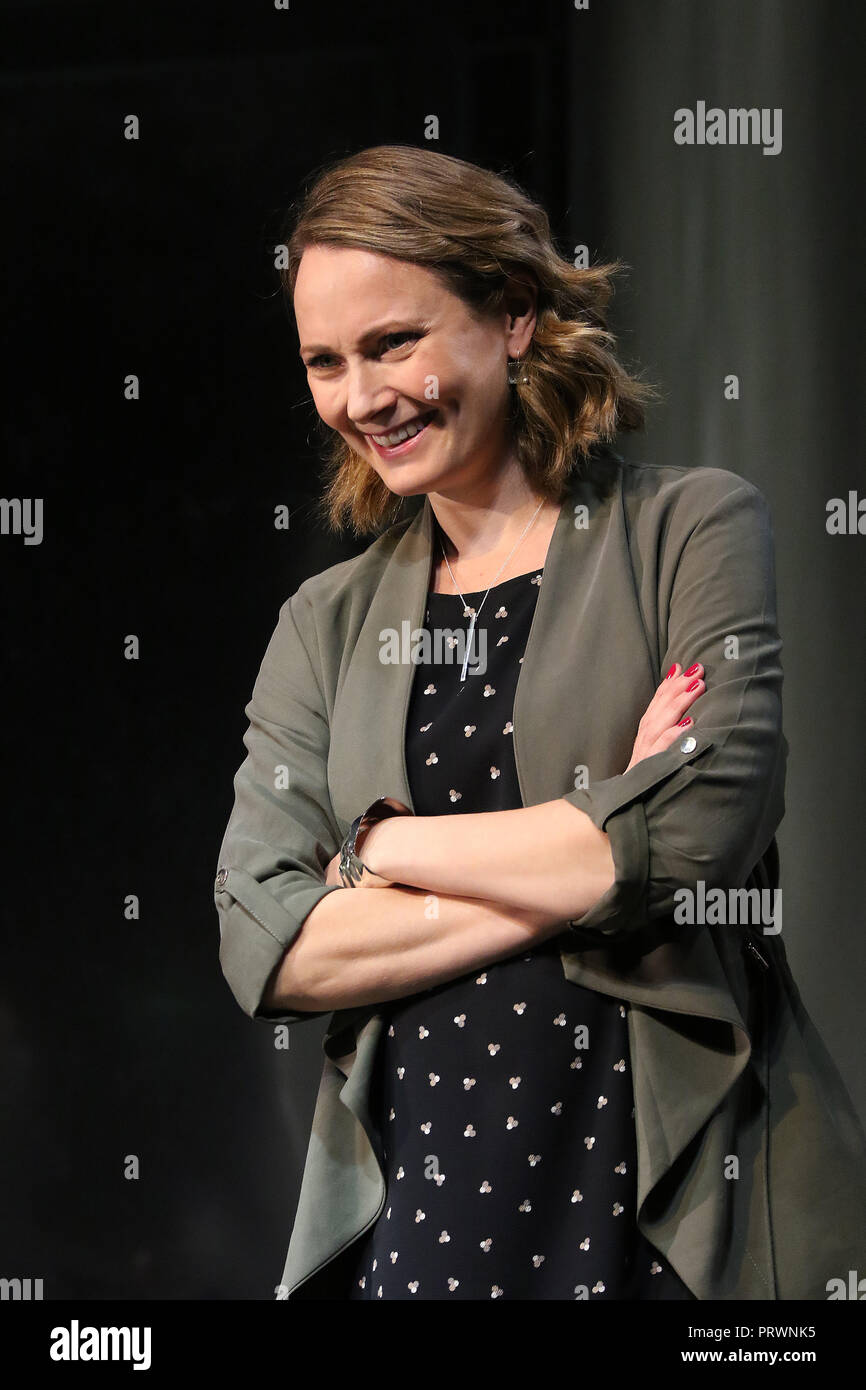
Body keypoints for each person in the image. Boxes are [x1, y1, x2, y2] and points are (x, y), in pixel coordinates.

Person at [214, 145, 866, 1301]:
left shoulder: (689, 529)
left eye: (393, 343)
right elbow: (267, 939)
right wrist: (590, 839)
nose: (360, 397)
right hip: (419, 1199)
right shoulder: (325, 620)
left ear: (512, 313)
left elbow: (697, 832)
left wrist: (378, 850)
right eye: (326, 361)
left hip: (660, 1187)